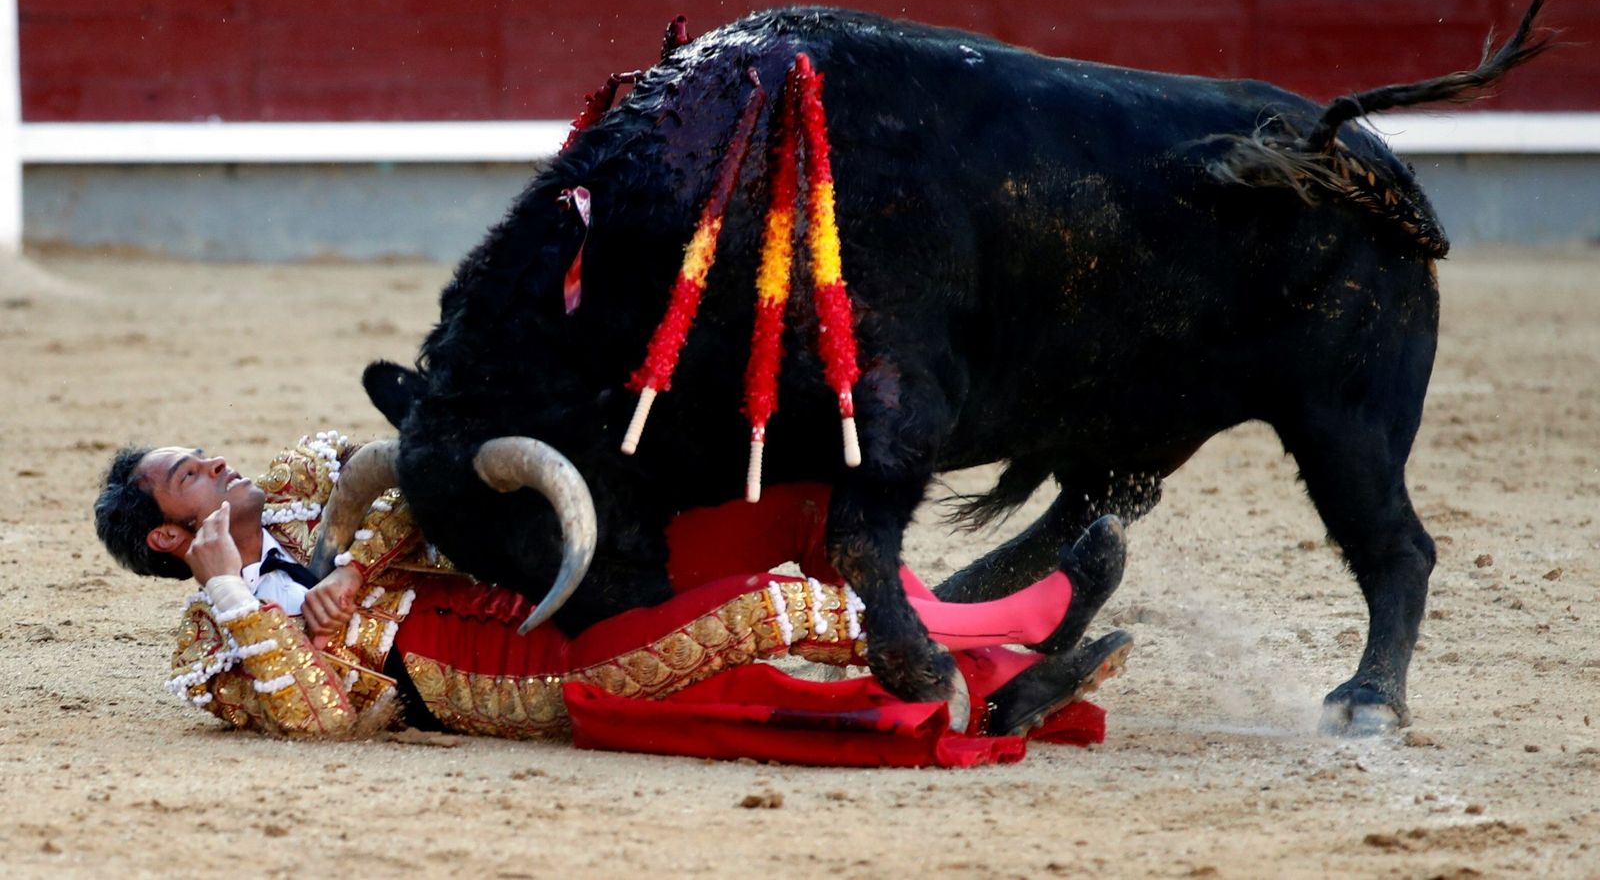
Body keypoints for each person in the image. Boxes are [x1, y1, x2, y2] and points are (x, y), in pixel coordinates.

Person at [95, 431, 1131, 765]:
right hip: (535, 674)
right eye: (190, 473)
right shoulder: (216, 648)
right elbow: (326, 720)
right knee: (759, 614)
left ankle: (1004, 668)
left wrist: (358, 568)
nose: (216, 458)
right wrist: (235, 592)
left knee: (790, 520)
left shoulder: (306, 482)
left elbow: (428, 474)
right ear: (168, 537)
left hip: (556, 585)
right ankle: (1022, 626)